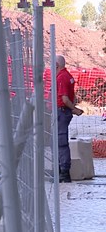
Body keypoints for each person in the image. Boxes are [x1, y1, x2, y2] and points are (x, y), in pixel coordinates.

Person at [56, 55, 83, 183]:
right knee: (59, 141)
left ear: (57, 65)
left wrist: (74, 109)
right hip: (63, 112)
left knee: (60, 142)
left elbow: (65, 99)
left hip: (61, 112)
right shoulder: (67, 76)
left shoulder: (61, 77)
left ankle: (64, 172)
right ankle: (61, 169)